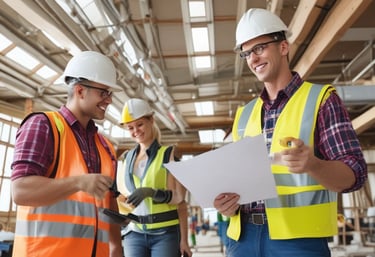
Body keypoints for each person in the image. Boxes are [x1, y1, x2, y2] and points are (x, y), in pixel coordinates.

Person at [213, 8, 368, 257]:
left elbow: (355, 174)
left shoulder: (321, 100)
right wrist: (226, 204)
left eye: (260, 48)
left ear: (283, 47)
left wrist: (314, 165)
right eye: (247, 53)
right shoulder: (244, 115)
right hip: (242, 240)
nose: (253, 59)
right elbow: (238, 179)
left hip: (299, 242)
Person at [11, 51, 123, 257]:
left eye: (110, 94)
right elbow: (20, 191)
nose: (108, 100)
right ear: (80, 90)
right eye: (103, 93)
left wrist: (116, 248)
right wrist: (78, 183)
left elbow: (109, 200)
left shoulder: (104, 145)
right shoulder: (43, 126)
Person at [115, 98, 192, 257]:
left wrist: (151, 192)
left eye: (140, 124)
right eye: (130, 127)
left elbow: (179, 198)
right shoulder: (126, 158)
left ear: (151, 120)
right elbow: (123, 195)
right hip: (134, 233)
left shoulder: (169, 154)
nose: (136, 130)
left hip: (165, 233)